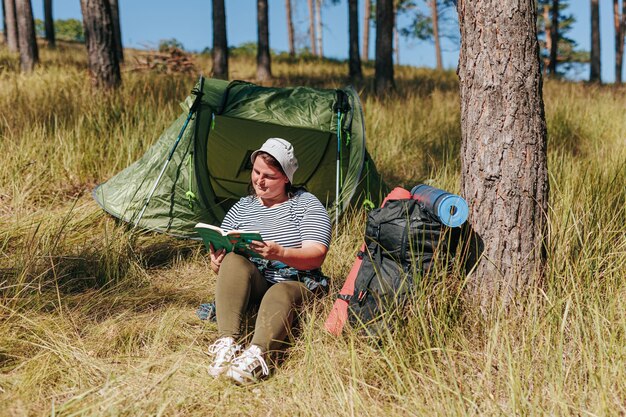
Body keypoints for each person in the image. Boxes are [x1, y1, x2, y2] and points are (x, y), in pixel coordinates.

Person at [207, 137, 332, 384]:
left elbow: (316, 254)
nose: (259, 181)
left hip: (296, 280)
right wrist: (216, 263)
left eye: (269, 176)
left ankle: (257, 355)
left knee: (281, 291)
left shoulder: (306, 204)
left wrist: (280, 253)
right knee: (233, 260)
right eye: (256, 172)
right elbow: (224, 259)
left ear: (286, 177)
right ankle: (228, 343)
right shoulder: (243, 206)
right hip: (256, 281)